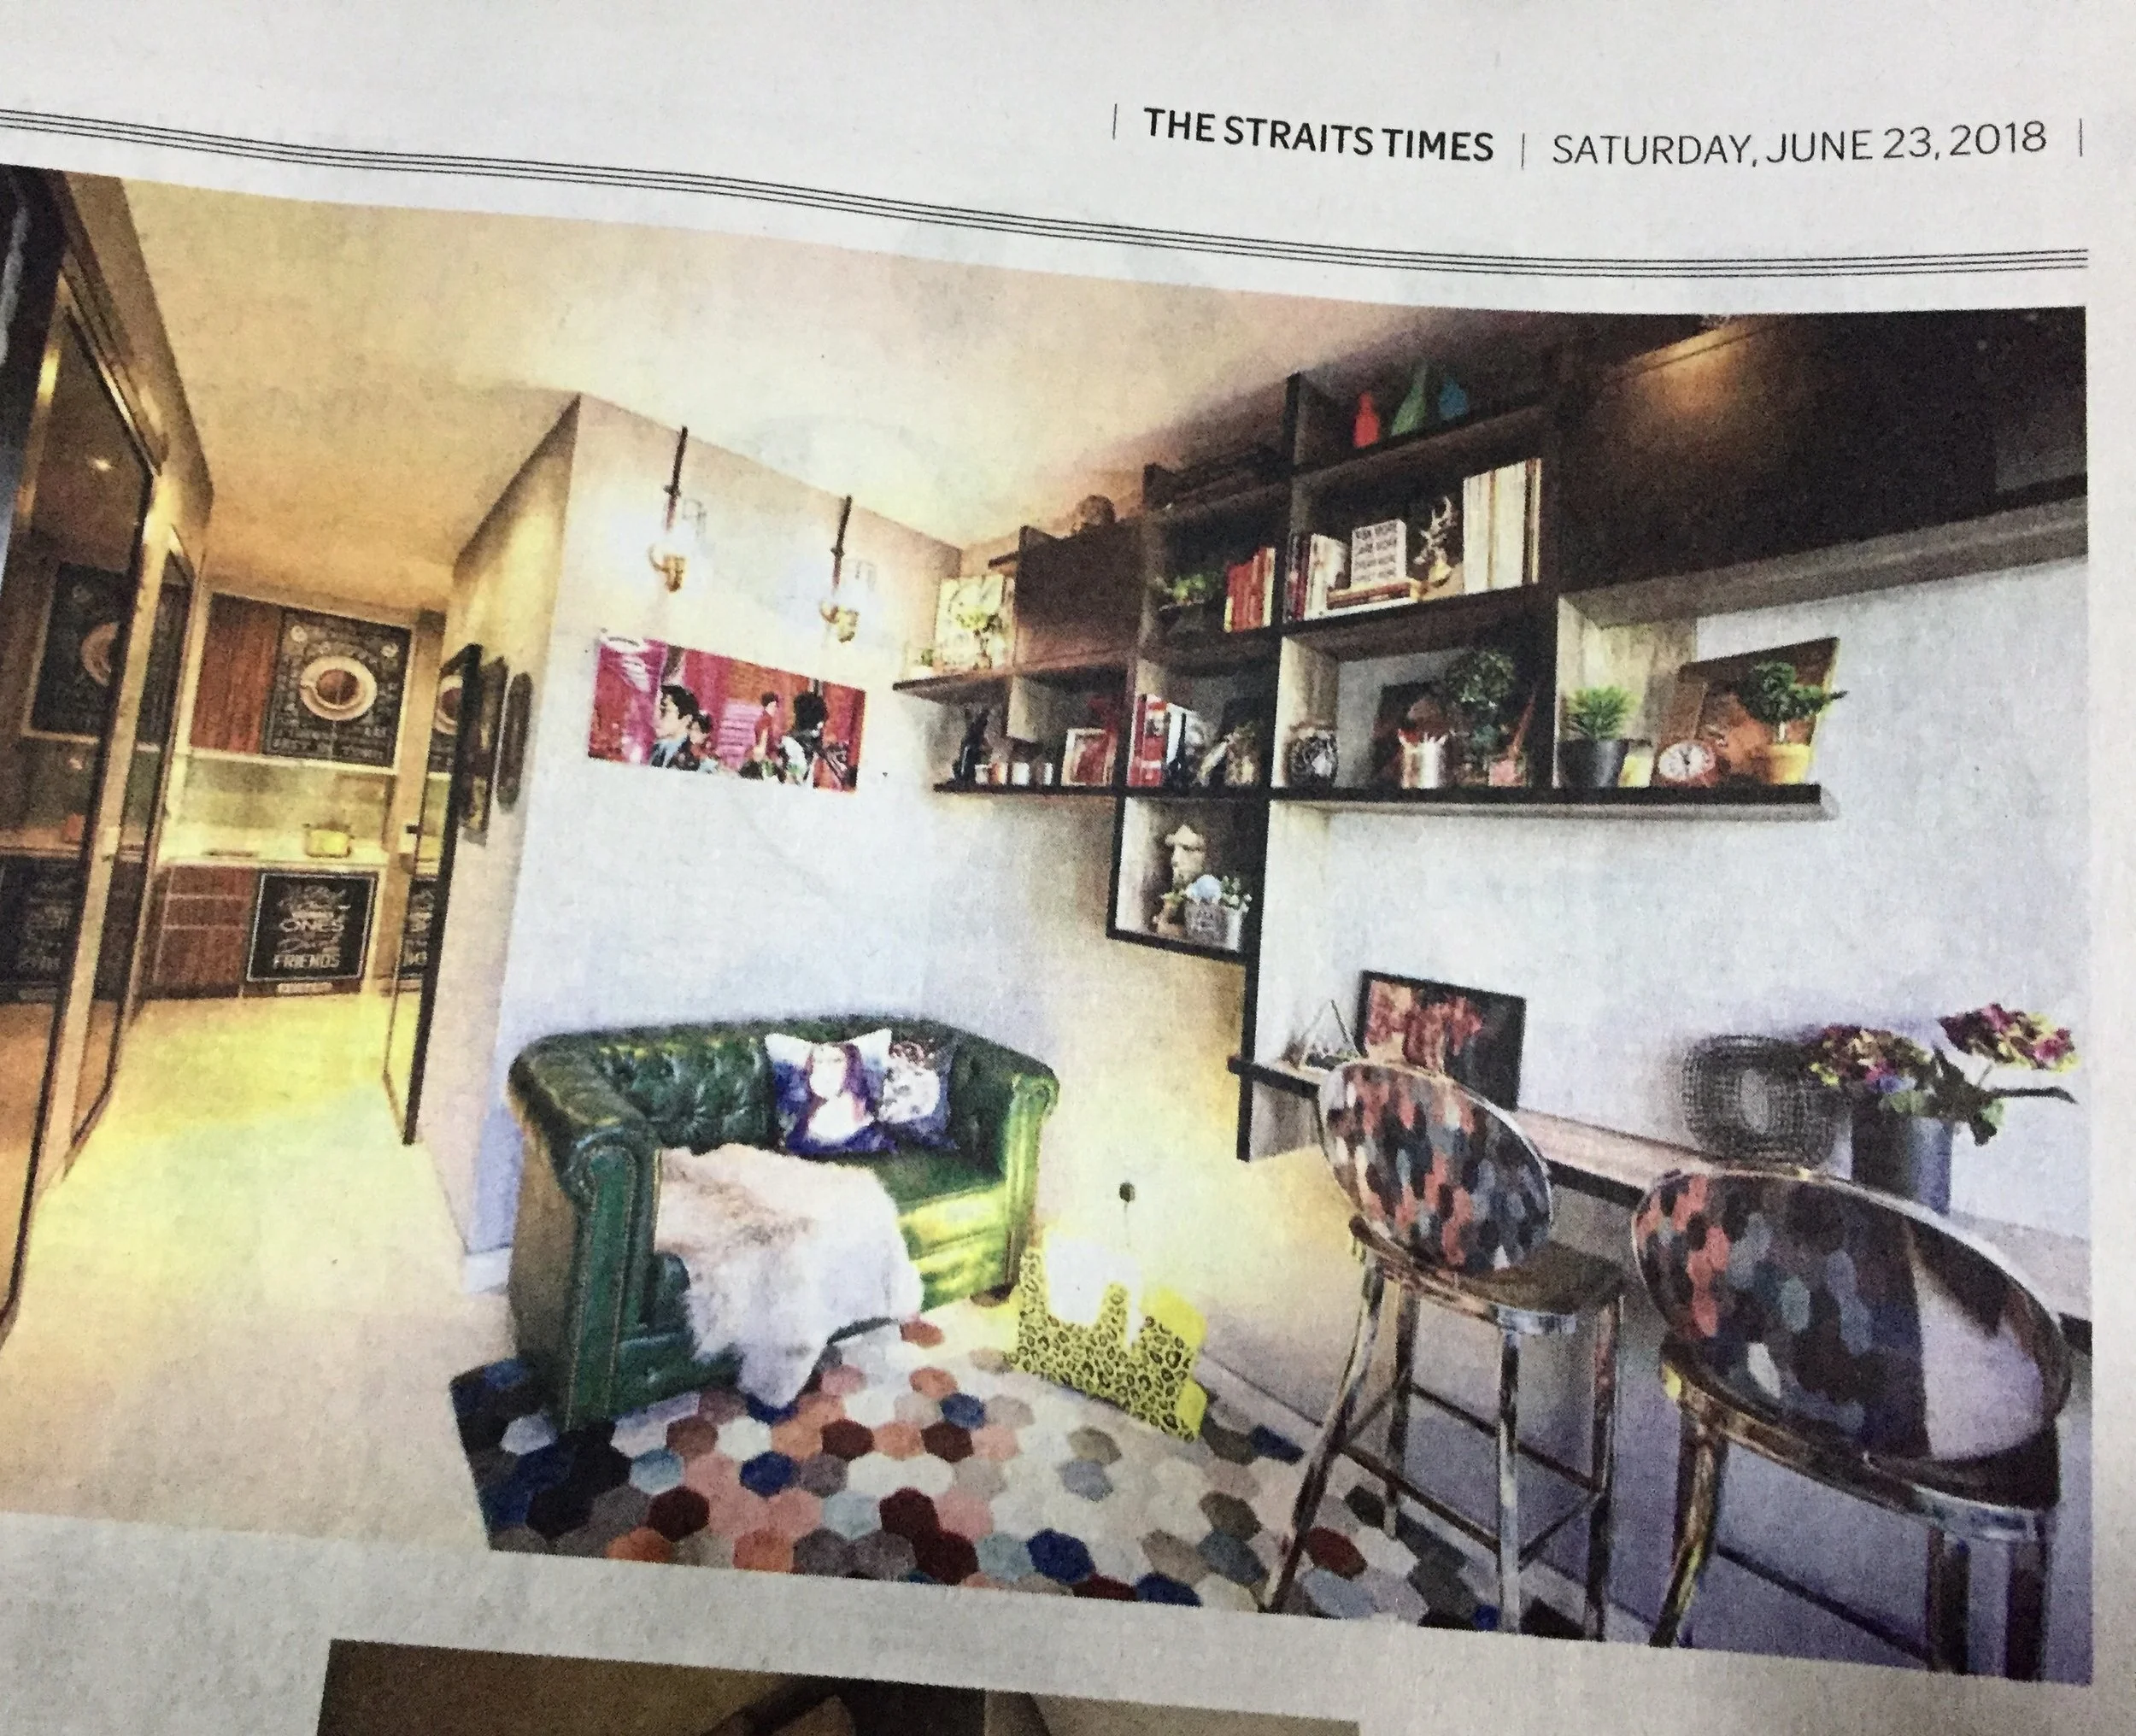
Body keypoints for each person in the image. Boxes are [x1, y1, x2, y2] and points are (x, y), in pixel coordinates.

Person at [649, 683, 701, 768]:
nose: (657, 716)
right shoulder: (656, 749)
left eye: (665, 711)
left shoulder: (695, 757)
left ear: (686, 718)